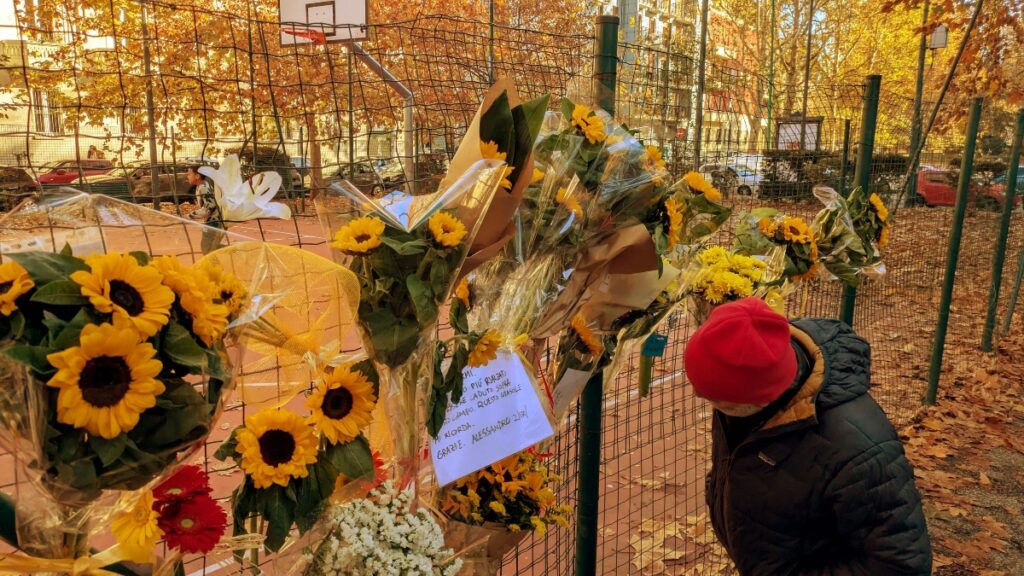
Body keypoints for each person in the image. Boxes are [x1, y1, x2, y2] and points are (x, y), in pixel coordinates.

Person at [684, 297, 931, 575]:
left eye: (716, 398)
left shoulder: (860, 451)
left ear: (762, 398)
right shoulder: (750, 385)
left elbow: (901, 564)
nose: (699, 395)